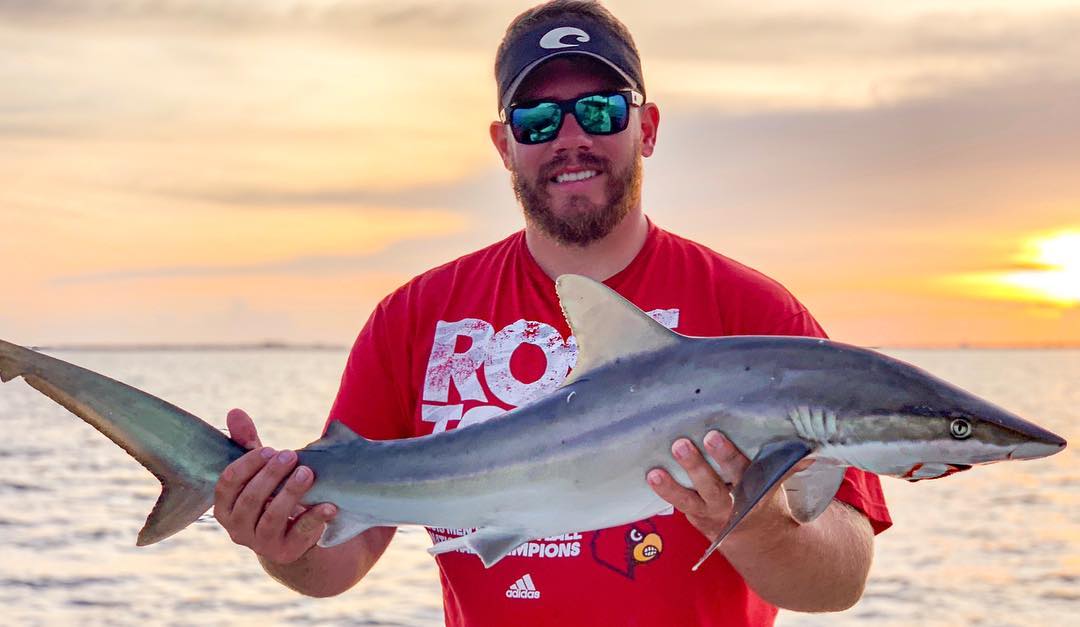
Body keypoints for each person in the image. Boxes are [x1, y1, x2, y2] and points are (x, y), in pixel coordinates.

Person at [213, 1, 892, 625]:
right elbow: (339, 560)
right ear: (504, 144)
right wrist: (279, 538)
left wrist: (759, 525)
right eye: (538, 119)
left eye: (600, 111)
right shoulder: (414, 318)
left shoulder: (755, 316)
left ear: (647, 127)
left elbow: (841, 578)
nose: (571, 138)